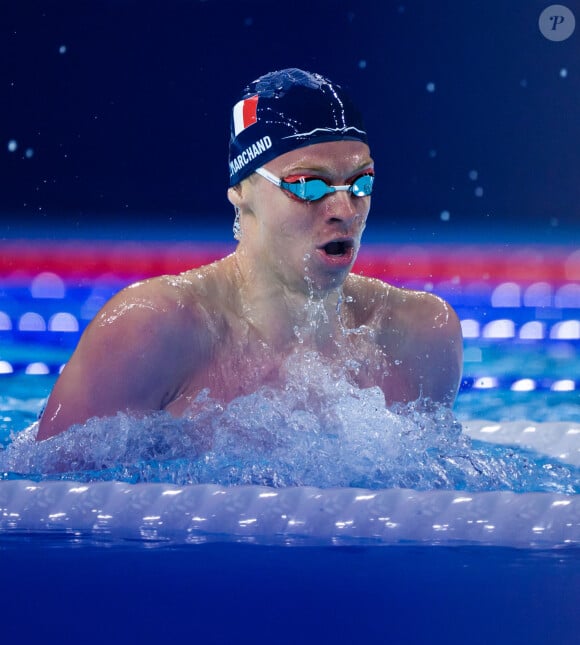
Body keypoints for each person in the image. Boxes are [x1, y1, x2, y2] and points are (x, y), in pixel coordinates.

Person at [36, 68, 463, 441]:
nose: (344, 211)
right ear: (242, 193)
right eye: (308, 186)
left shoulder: (419, 338)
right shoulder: (151, 330)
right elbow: (39, 501)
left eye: (360, 183)